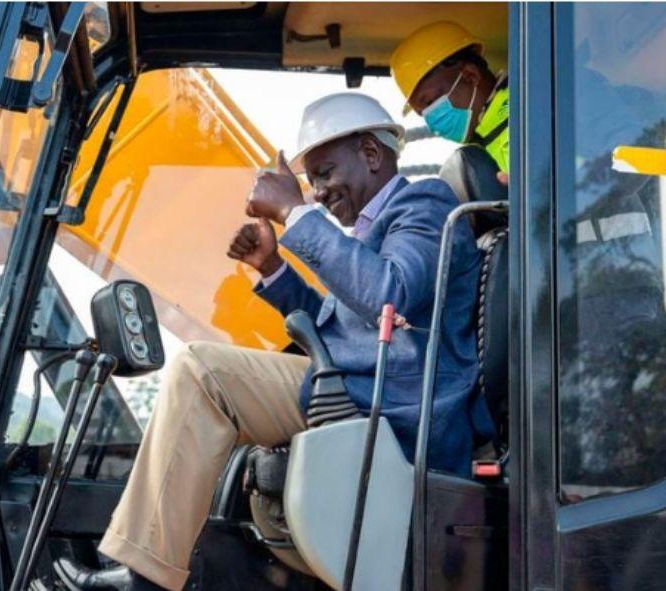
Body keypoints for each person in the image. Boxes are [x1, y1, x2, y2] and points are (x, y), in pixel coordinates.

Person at [74, 93, 485, 590]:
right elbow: (338, 325)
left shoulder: (423, 205)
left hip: (396, 402)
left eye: (326, 172)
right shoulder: (368, 233)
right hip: (359, 383)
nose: (320, 191)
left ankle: (146, 578)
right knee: (206, 385)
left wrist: (293, 212)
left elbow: (387, 296)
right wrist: (272, 269)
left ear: (372, 155)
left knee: (203, 373)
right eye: (311, 182)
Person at [390, 20, 510, 206]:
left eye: (430, 102)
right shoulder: (483, 139)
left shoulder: (526, 116)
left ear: (470, 76)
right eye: (422, 113)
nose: (430, 121)